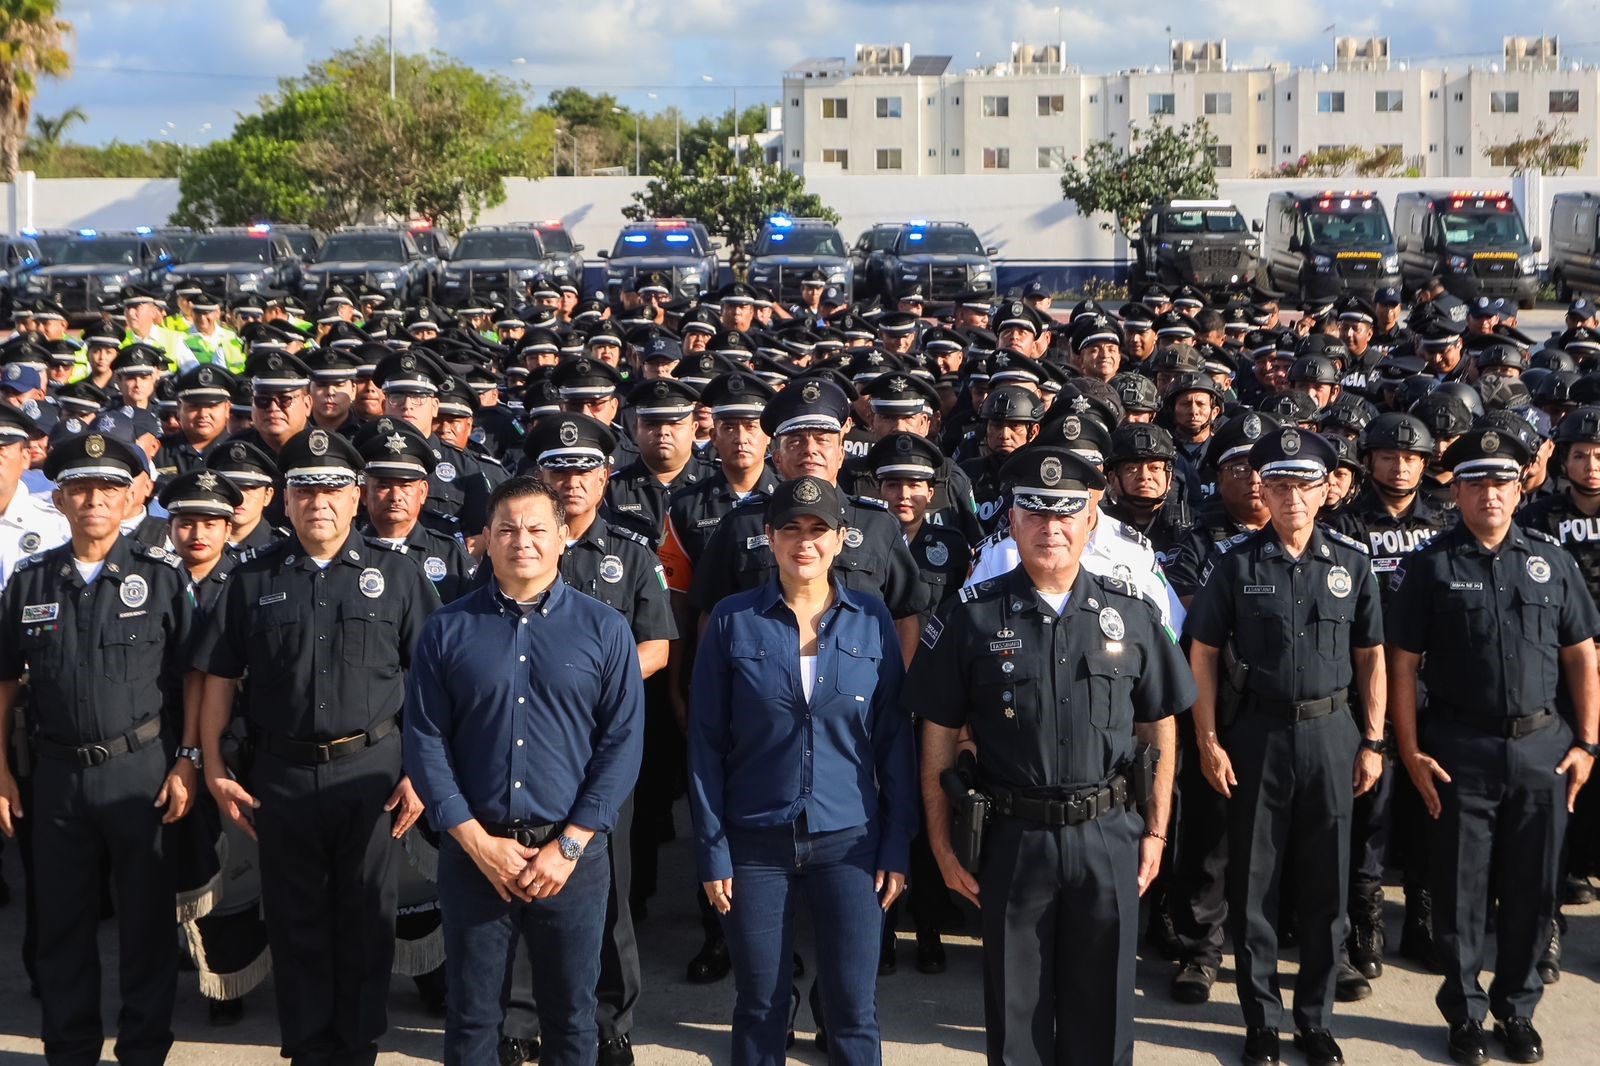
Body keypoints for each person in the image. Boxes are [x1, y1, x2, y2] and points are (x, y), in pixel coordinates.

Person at [909, 445, 1193, 1066]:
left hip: (1110, 835)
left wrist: (1157, 830)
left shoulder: (1134, 612)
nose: (1050, 527)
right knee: (1016, 1021)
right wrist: (939, 842)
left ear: (1092, 519)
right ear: (1011, 520)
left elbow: (1159, 724)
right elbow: (937, 729)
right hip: (1013, 837)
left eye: (1065, 513)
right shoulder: (971, 615)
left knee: (1105, 1017)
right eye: (1034, 512)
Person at [192, 427, 438, 1065]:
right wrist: (214, 767)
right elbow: (220, 679)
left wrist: (421, 771)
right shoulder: (251, 581)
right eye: (304, 488)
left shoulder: (400, 575)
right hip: (282, 775)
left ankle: (358, 1047)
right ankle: (307, 1049)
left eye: (332, 488)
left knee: (366, 921)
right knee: (296, 923)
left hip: (375, 773)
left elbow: (436, 682)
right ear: (283, 499)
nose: (319, 501)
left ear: (357, 497)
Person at [404, 476, 644, 1066]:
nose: (523, 542)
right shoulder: (447, 629)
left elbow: (622, 745)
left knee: (571, 1018)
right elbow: (426, 742)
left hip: (572, 859)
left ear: (564, 537)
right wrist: (476, 842)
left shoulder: (605, 630)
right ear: (484, 538)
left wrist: (569, 843)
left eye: (538, 529)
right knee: (472, 1017)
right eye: (507, 529)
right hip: (475, 855)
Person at [1387, 427, 1600, 1066]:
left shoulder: (1550, 558)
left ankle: (1518, 1008)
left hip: (1542, 747)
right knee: (1460, 891)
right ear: (1456, 492)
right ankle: (1465, 1012)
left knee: (1534, 890)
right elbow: (1401, 665)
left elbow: (1581, 657)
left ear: (1518, 488)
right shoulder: (1431, 565)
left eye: (1502, 482)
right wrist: (1410, 750)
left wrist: (1588, 742)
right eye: (1476, 482)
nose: (1490, 495)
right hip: (1459, 750)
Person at [688, 475, 917, 1066]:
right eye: (791, 528)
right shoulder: (734, 620)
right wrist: (713, 851)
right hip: (755, 841)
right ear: (769, 537)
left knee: (852, 1007)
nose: (805, 542)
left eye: (819, 530)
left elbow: (893, 742)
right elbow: (706, 744)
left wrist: (896, 846)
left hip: (851, 841)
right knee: (760, 1005)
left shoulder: (871, 620)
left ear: (841, 539)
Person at [1184, 426, 1386, 1066]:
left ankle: (1316, 1021)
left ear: (1327, 491)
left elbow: (1372, 658)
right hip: (1257, 736)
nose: (1291, 497)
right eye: (1277, 485)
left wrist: (1374, 740)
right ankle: (1262, 1022)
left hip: (1333, 734)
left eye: (1304, 485)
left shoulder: (1353, 565)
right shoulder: (1236, 564)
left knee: (1326, 884)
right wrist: (1210, 740)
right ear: (1261, 492)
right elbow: (1203, 655)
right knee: (1256, 885)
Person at [0, 429, 198, 1065]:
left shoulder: (162, 578)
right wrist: (0, 772)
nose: (93, 499)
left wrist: (189, 759)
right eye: (80, 488)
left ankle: (143, 1052)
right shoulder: (29, 583)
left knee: (144, 928)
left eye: (108, 487)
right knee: (61, 925)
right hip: (55, 775)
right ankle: (70, 1050)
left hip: (140, 770)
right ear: (59, 499)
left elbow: (198, 677)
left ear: (132, 495)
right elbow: (3, 684)